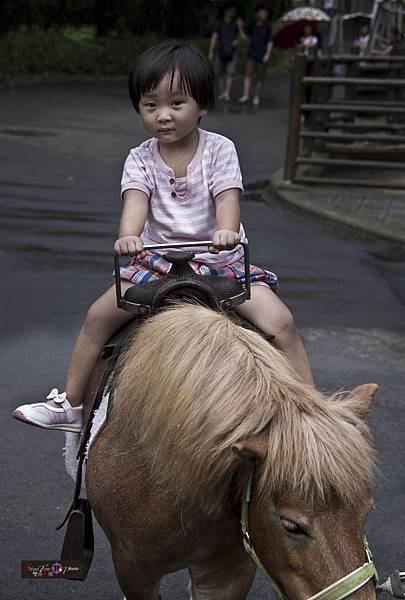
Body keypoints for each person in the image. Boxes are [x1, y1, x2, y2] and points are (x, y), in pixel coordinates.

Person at [13, 42, 314, 433]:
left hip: (216, 262)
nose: (163, 116)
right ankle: (71, 403)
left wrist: (226, 230)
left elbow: (227, 199)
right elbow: (135, 204)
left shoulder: (219, 149)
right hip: (156, 262)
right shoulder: (140, 158)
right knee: (97, 317)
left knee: (281, 322)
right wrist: (128, 237)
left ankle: (311, 405)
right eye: (150, 105)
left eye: (176, 103)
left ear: (202, 104)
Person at [239, 3, 273, 107]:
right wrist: (240, 28)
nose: (263, 14)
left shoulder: (268, 26)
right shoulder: (252, 25)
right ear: (257, 13)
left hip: (262, 55)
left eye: (265, 12)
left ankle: (256, 96)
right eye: (261, 12)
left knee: (259, 77)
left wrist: (267, 54)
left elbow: (270, 42)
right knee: (247, 74)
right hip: (251, 54)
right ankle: (246, 95)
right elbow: (244, 37)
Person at [208, 3, 242, 102]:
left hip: (232, 52)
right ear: (226, 11)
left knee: (229, 72)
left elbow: (242, 36)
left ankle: (227, 93)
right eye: (231, 10)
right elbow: (214, 37)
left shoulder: (235, 23)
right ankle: (222, 92)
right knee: (219, 73)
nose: (232, 12)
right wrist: (211, 52)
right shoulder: (219, 23)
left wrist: (236, 41)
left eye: (233, 11)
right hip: (220, 51)